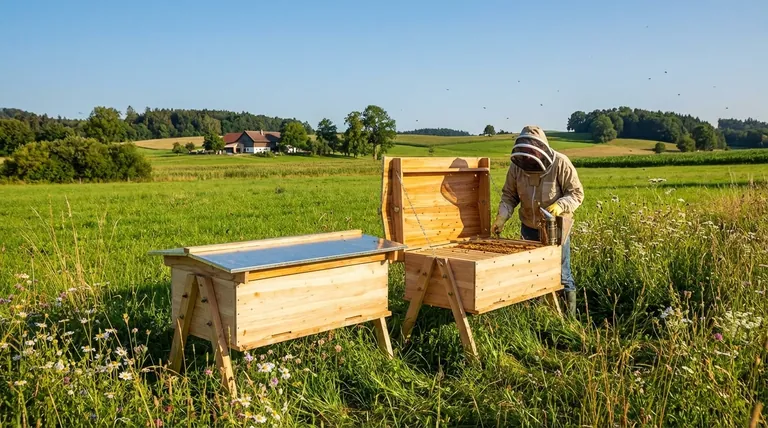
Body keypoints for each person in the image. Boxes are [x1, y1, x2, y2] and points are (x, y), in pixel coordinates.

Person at [491, 125, 584, 315]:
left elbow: (576, 193)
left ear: (541, 149)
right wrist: (502, 216)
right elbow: (509, 195)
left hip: (556, 230)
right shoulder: (517, 166)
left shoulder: (560, 163)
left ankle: (569, 321)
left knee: (561, 274)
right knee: (532, 273)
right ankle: (536, 316)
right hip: (529, 228)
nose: (527, 160)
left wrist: (561, 206)